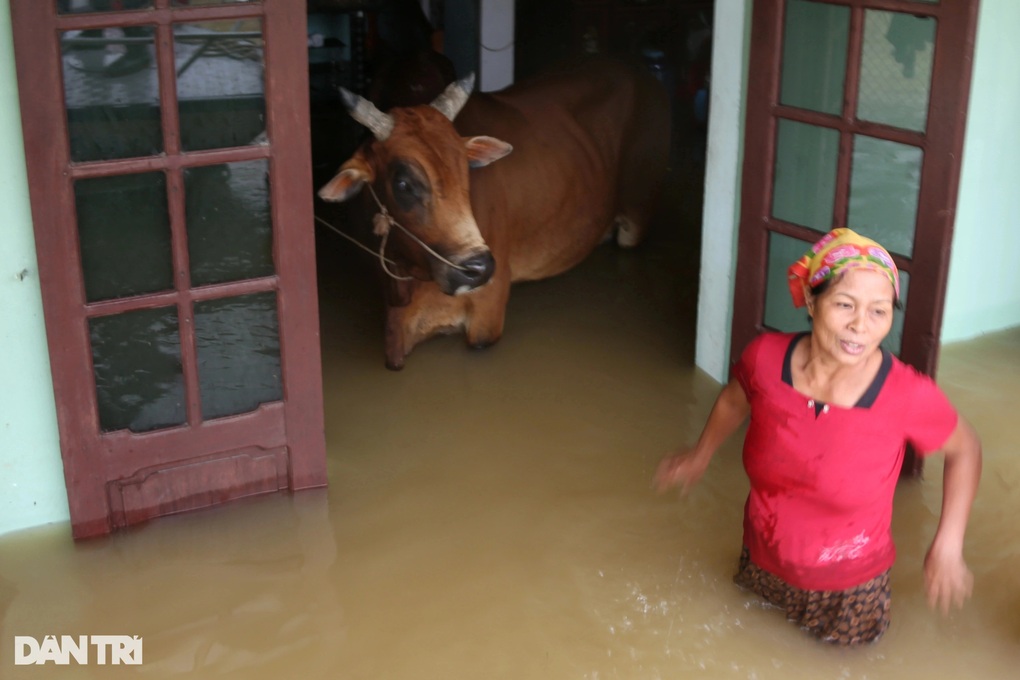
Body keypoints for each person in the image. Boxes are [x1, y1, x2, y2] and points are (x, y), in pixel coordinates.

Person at [654, 228, 982, 646]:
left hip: (847, 592)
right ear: (811, 300)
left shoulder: (905, 394)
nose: (860, 326)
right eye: (844, 304)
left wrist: (948, 544)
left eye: (879, 312)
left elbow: (966, 449)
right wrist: (700, 454)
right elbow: (735, 400)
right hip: (761, 559)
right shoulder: (766, 358)